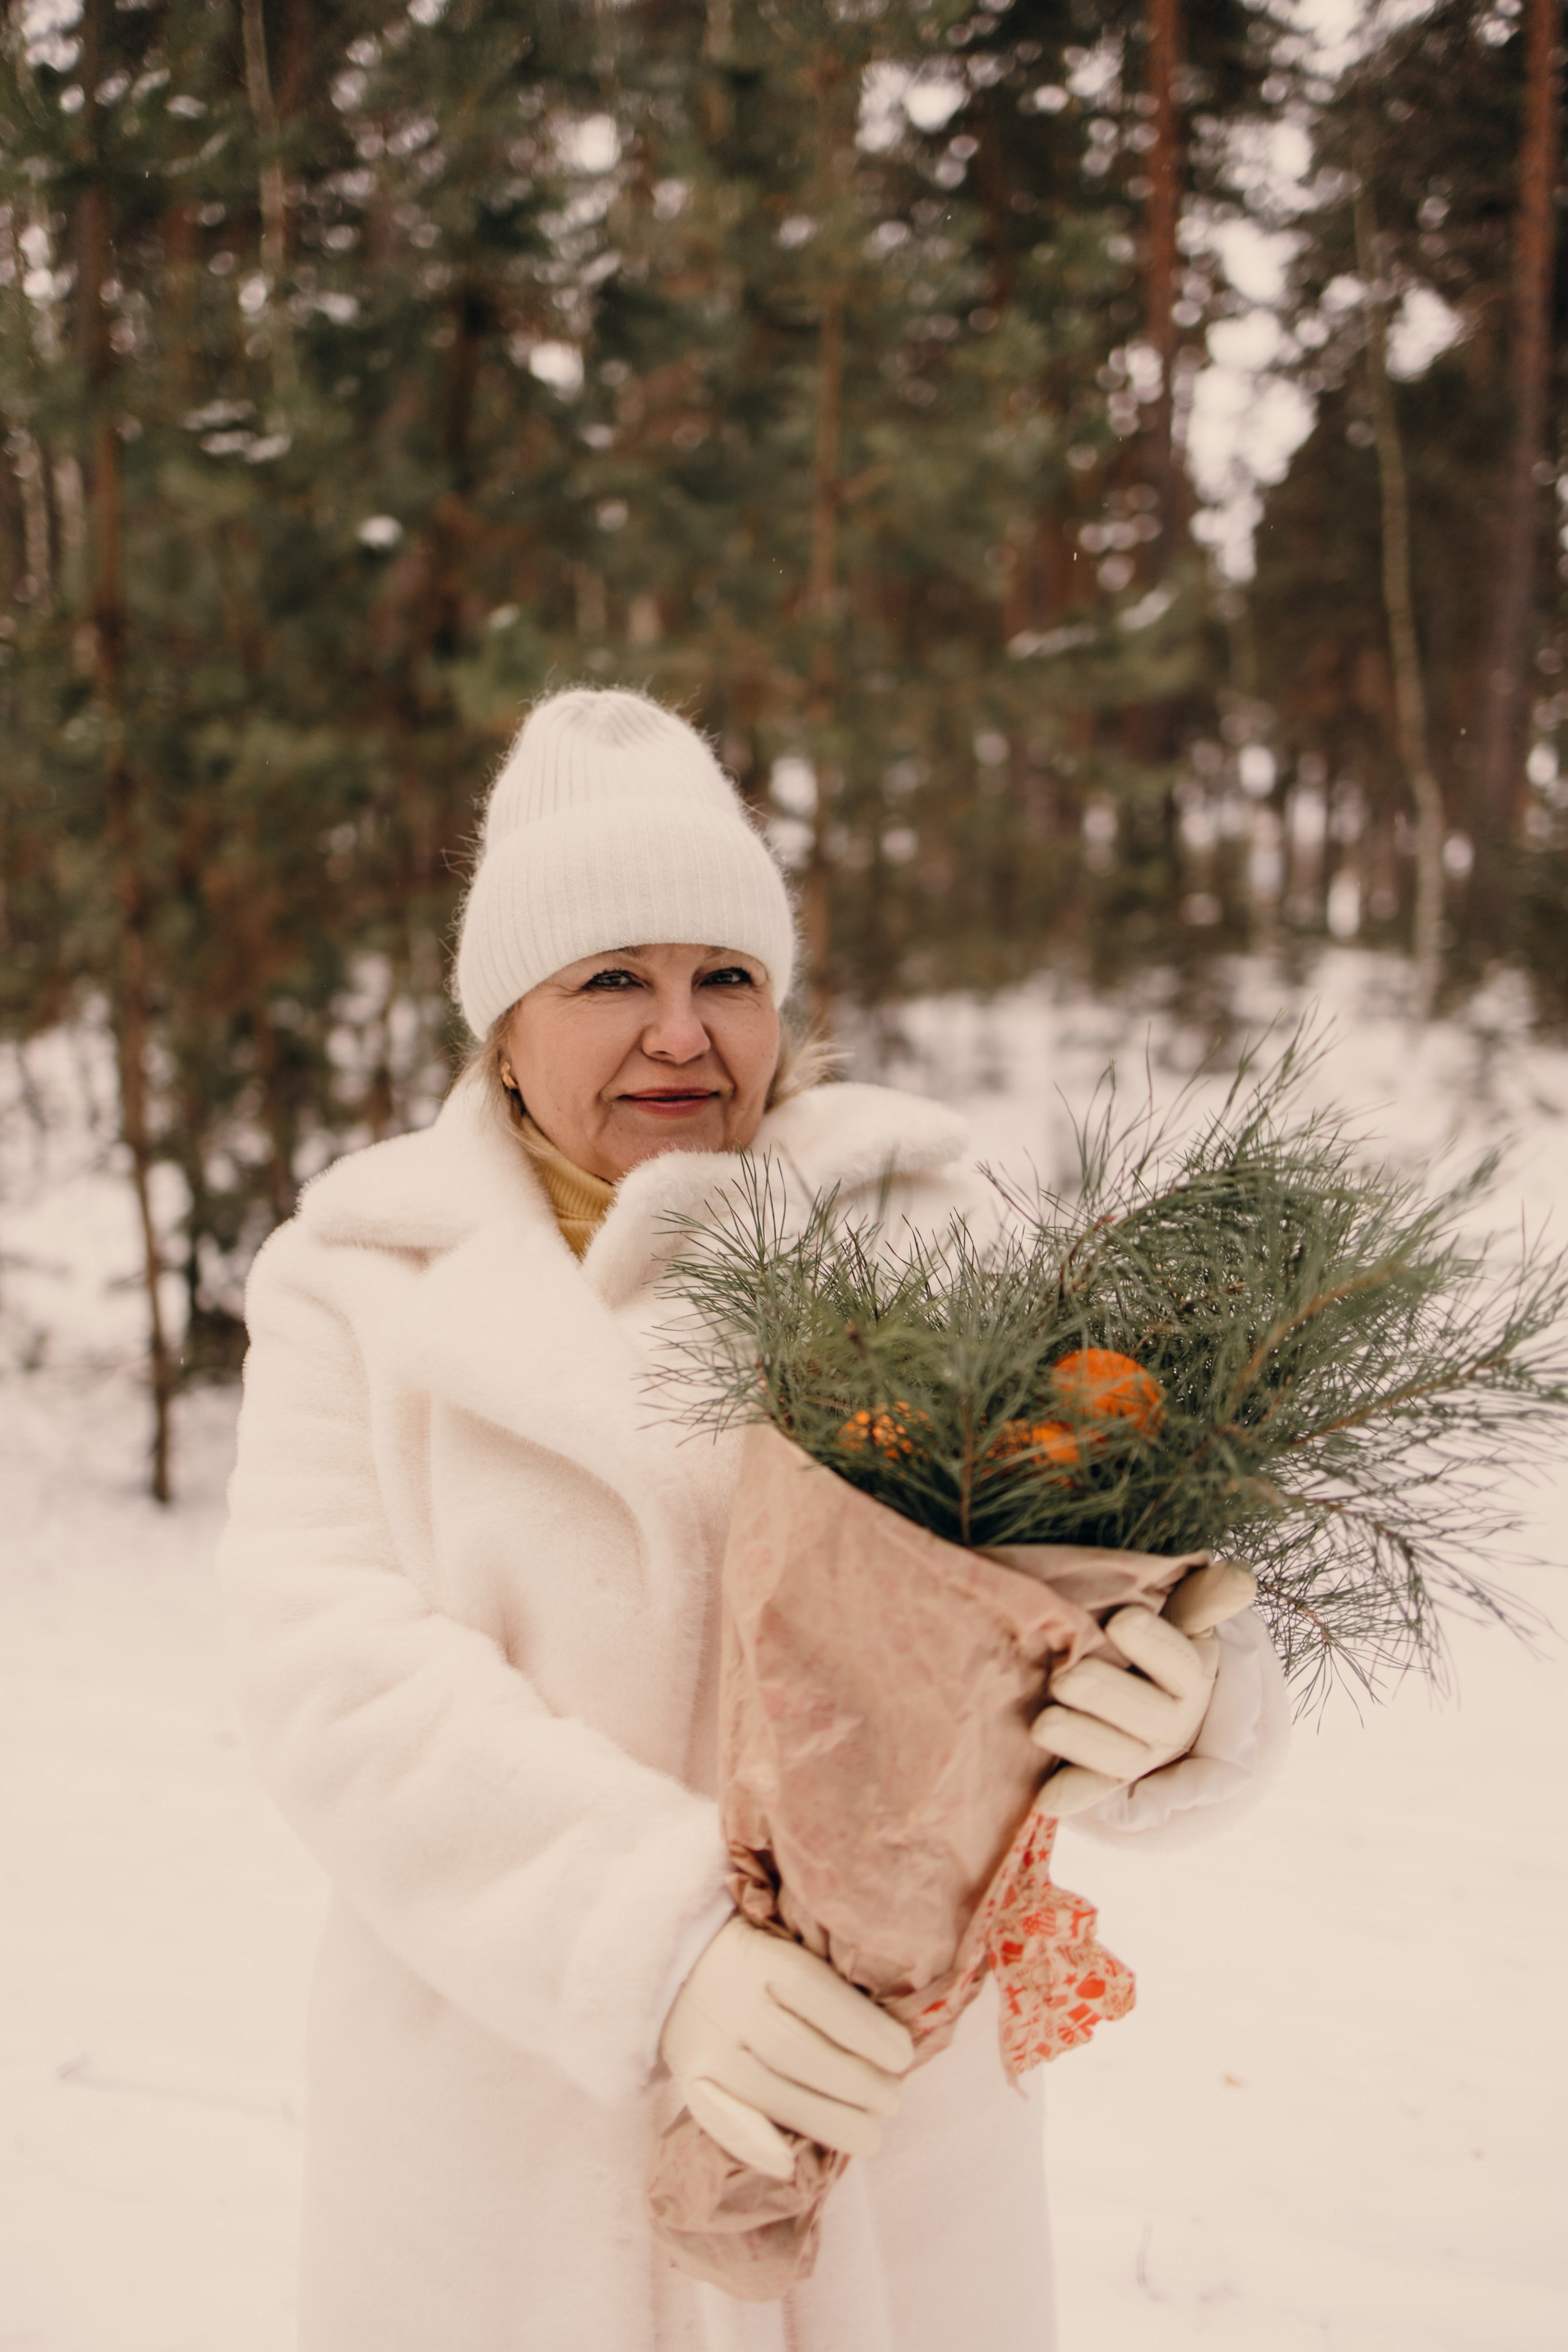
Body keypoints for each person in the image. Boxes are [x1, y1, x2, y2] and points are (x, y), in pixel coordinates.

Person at [219, 687, 1289, 2352]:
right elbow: (331, 1674)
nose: (681, 1032)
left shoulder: (928, 1234)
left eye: (726, 977)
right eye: (611, 981)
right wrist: (658, 1946)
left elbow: (1085, 1542)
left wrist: (1181, 1708)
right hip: (504, 2128)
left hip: (885, 2123)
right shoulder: (360, 1278)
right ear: (502, 1021)